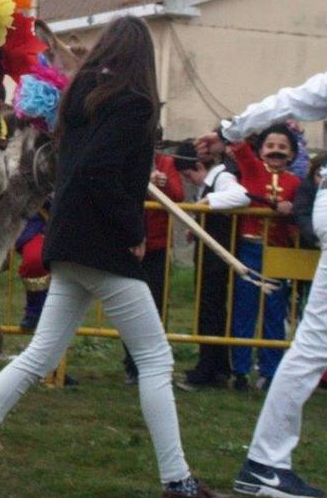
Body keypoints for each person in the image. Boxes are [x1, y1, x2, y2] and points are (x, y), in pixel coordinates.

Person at [0, 17, 233, 498]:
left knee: (37, 359)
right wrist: (133, 231)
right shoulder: (133, 104)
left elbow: (83, 167)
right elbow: (97, 171)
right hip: (103, 247)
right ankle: (178, 483)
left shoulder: (78, 99)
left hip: (69, 240)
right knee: (156, 360)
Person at [197, 54, 327, 498]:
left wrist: (230, 130)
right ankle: (264, 462)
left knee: (318, 338)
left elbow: (291, 100)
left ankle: (265, 462)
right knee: (318, 339)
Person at [227, 126, 300, 391]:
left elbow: (300, 211)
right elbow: (237, 144)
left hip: (278, 253)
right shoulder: (253, 169)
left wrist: (292, 210)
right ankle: (241, 369)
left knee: (274, 311)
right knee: (245, 308)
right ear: (260, 150)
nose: (276, 151)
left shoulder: (295, 182)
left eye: (283, 147)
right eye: (270, 145)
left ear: (292, 154)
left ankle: (270, 371)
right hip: (251, 249)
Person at [176, 138, 249, 391]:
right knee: (209, 310)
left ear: (198, 166)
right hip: (209, 256)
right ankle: (216, 367)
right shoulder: (210, 182)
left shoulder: (222, 177)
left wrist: (207, 203)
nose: (189, 181)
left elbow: (240, 197)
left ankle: (209, 368)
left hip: (219, 258)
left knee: (212, 310)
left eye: (188, 175)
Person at [124, 146, 186, 384]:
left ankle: (150, 365)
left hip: (157, 246)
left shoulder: (166, 163)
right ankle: (131, 363)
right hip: (130, 245)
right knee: (130, 308)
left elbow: (178, 194)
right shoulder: (125, 157)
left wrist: (164, 184)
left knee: (155, 305)